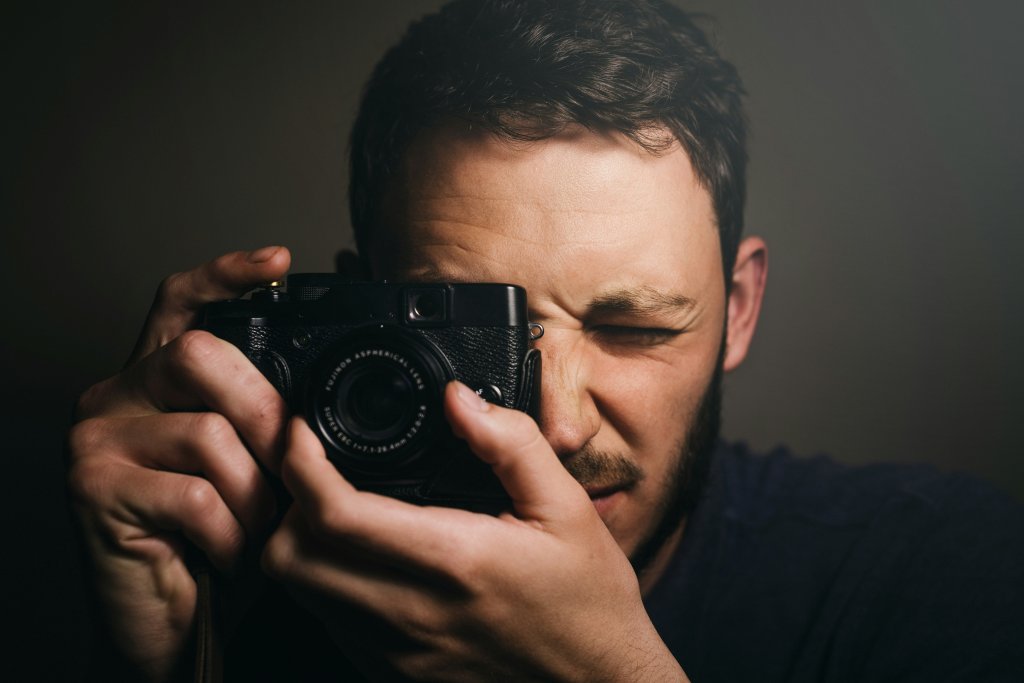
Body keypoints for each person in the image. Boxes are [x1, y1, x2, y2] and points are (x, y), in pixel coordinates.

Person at [67, 1, 1023, 681]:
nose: (554, 427)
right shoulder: (233, 571)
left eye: (635, 326)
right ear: (359, 311)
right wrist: (175, 661)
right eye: (474, 330)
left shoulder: (934, 576)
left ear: (736, 309)